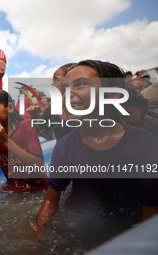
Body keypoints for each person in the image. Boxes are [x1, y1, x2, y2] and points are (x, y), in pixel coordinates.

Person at [35, 60, 158, 245]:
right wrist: (36, 243)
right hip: (77, 233)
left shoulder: (142, 142)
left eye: (81, 84)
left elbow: (149, 209)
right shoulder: (64, 146)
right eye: (64, 90)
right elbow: (51, 202)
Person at [0, 90, 47, 193]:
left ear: (10, 108)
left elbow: (39, 166)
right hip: (14, 189)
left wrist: (6, 141)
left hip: (38, 188)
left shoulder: (25, 126)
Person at [28, 63, 77, 140]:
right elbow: (32, 133)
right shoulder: (52, 109)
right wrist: (34, 117)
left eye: (56, 80)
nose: (51, 85)